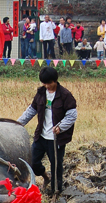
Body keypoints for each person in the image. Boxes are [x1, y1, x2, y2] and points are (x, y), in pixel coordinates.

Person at [18, 67, 77, 195]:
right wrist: (18, 124)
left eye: (49, 83)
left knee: (56, 166)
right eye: (44, 83)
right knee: (32, 162)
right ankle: (45, 176)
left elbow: (72, 116)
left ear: (55, 80)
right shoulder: (41, 93)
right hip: (41, 136)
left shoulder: (65, 95)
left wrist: (60, 127)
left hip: (56, 139)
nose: (47, 86)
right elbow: (31, 110)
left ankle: (56, 192)